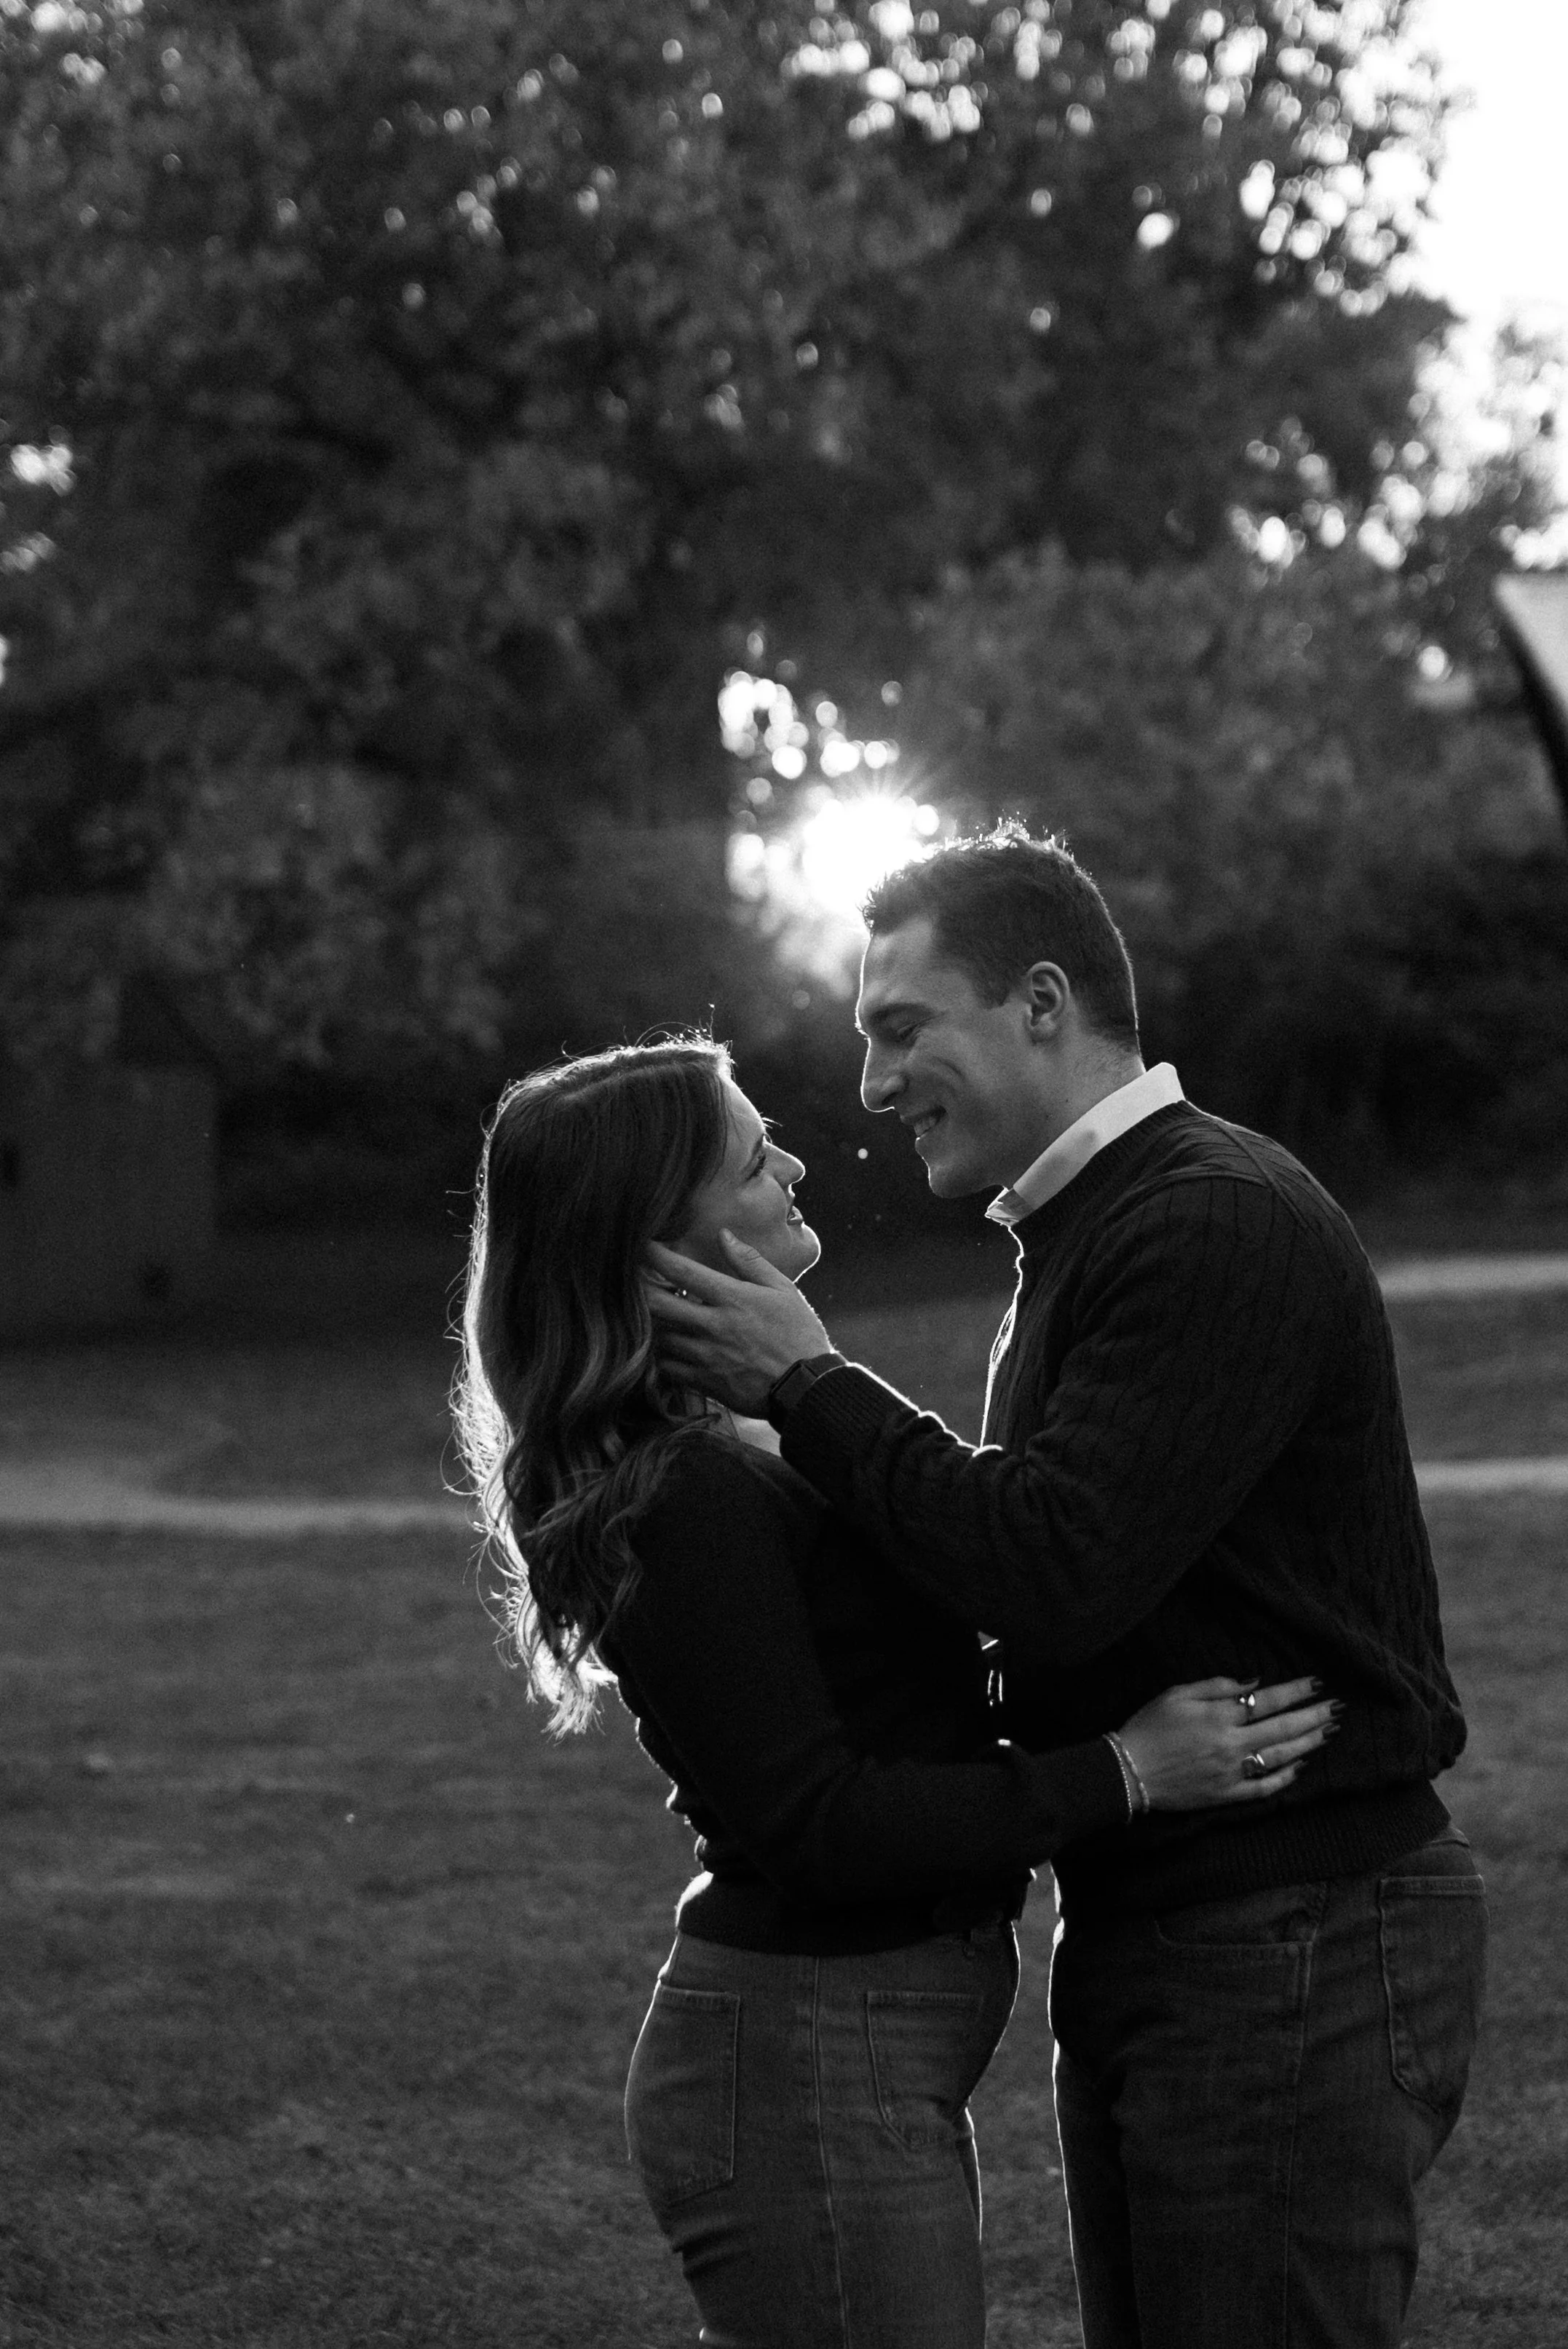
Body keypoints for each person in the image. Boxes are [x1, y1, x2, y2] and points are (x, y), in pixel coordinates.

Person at [648, 828, 1488, 2349]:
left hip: (1291, 1921)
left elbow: (1053, 1567)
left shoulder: (1206, 1216)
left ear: (1042, 1003)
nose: (872, 1084)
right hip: (1192, 1924)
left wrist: (812, 1385)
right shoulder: (1091, 1227)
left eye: (904, 1029)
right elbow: (1010, 1554)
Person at [454, 1035, 1337, 2349]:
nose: (800, 1162)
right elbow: (822, 1823)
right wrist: (1128, 1770)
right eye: (756, 1156)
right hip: (805, 2056)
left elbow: (923, 1631)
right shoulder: (685, 1492)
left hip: (847, 2055)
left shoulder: (741, 1442)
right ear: (660, 1234)